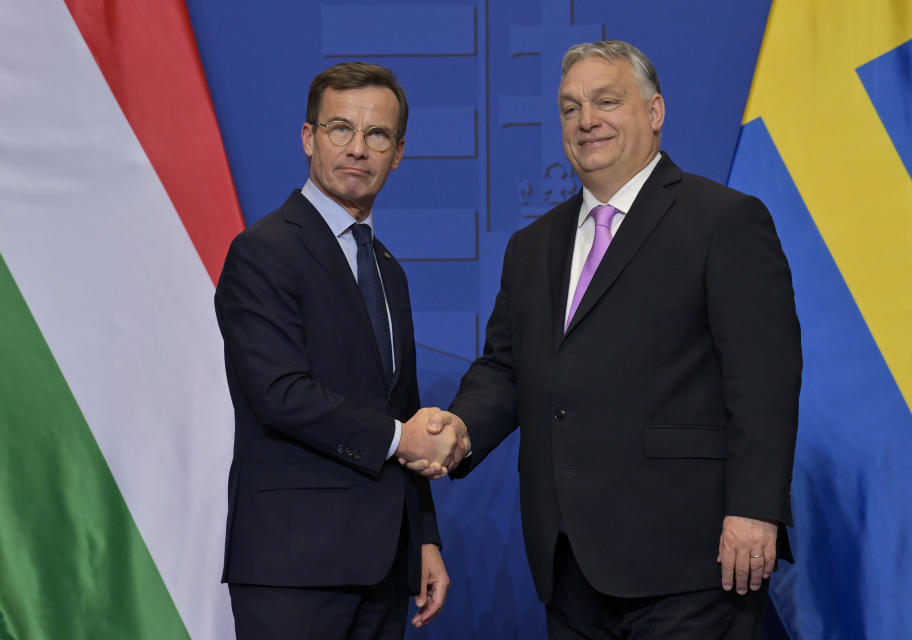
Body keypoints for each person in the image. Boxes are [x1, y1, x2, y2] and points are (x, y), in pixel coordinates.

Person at [416, 40, 802, 638]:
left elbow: (764, 380)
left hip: (691, 561)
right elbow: (506, 369)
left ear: (654, 112)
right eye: (570, 108)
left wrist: (754, 509)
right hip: (568, 562)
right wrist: (461, 430)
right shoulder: (532, 246)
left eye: (606, 101)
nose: (586, 120)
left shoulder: (724, 220)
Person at [214, 61, 464, 639]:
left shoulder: (388, 271)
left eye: (377, 134)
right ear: (308, 138)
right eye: (339, 129)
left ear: (398, 152)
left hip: (383, 563)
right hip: (293, 565)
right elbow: (280, 394)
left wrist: (423, 536)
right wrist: (403, 439)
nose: (358, 148)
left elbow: (402, 402)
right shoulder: (262, 251)